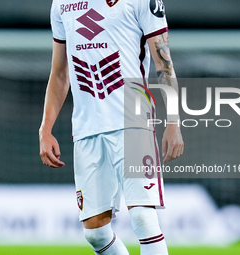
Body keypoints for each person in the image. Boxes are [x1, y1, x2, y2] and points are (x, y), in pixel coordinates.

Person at [39, 0, 184, 254]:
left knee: (142, 217)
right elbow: (60, 73)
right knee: (95, 232)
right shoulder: (61, 3)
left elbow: (163, 62)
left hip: (133, 120)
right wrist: (46, 127)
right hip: (87, 128)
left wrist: (174, 122)